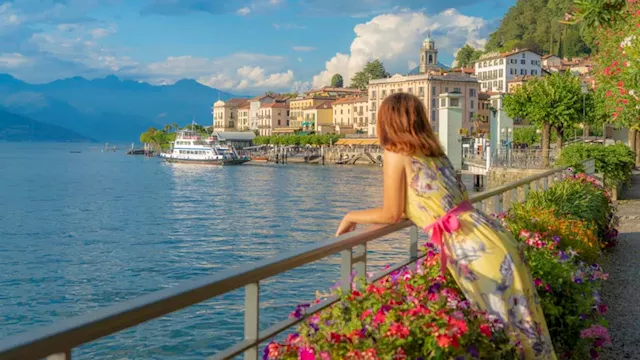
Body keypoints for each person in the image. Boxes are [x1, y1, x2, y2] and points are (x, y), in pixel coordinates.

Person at [335, 93, 556, 359]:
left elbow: (392, 213)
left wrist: (351, 216)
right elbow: (423, 203)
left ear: (387, 121)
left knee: (505, 334)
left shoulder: (395, 152)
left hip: (469, 247)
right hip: (491, 236)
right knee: (525, 326)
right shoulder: (434, 153)